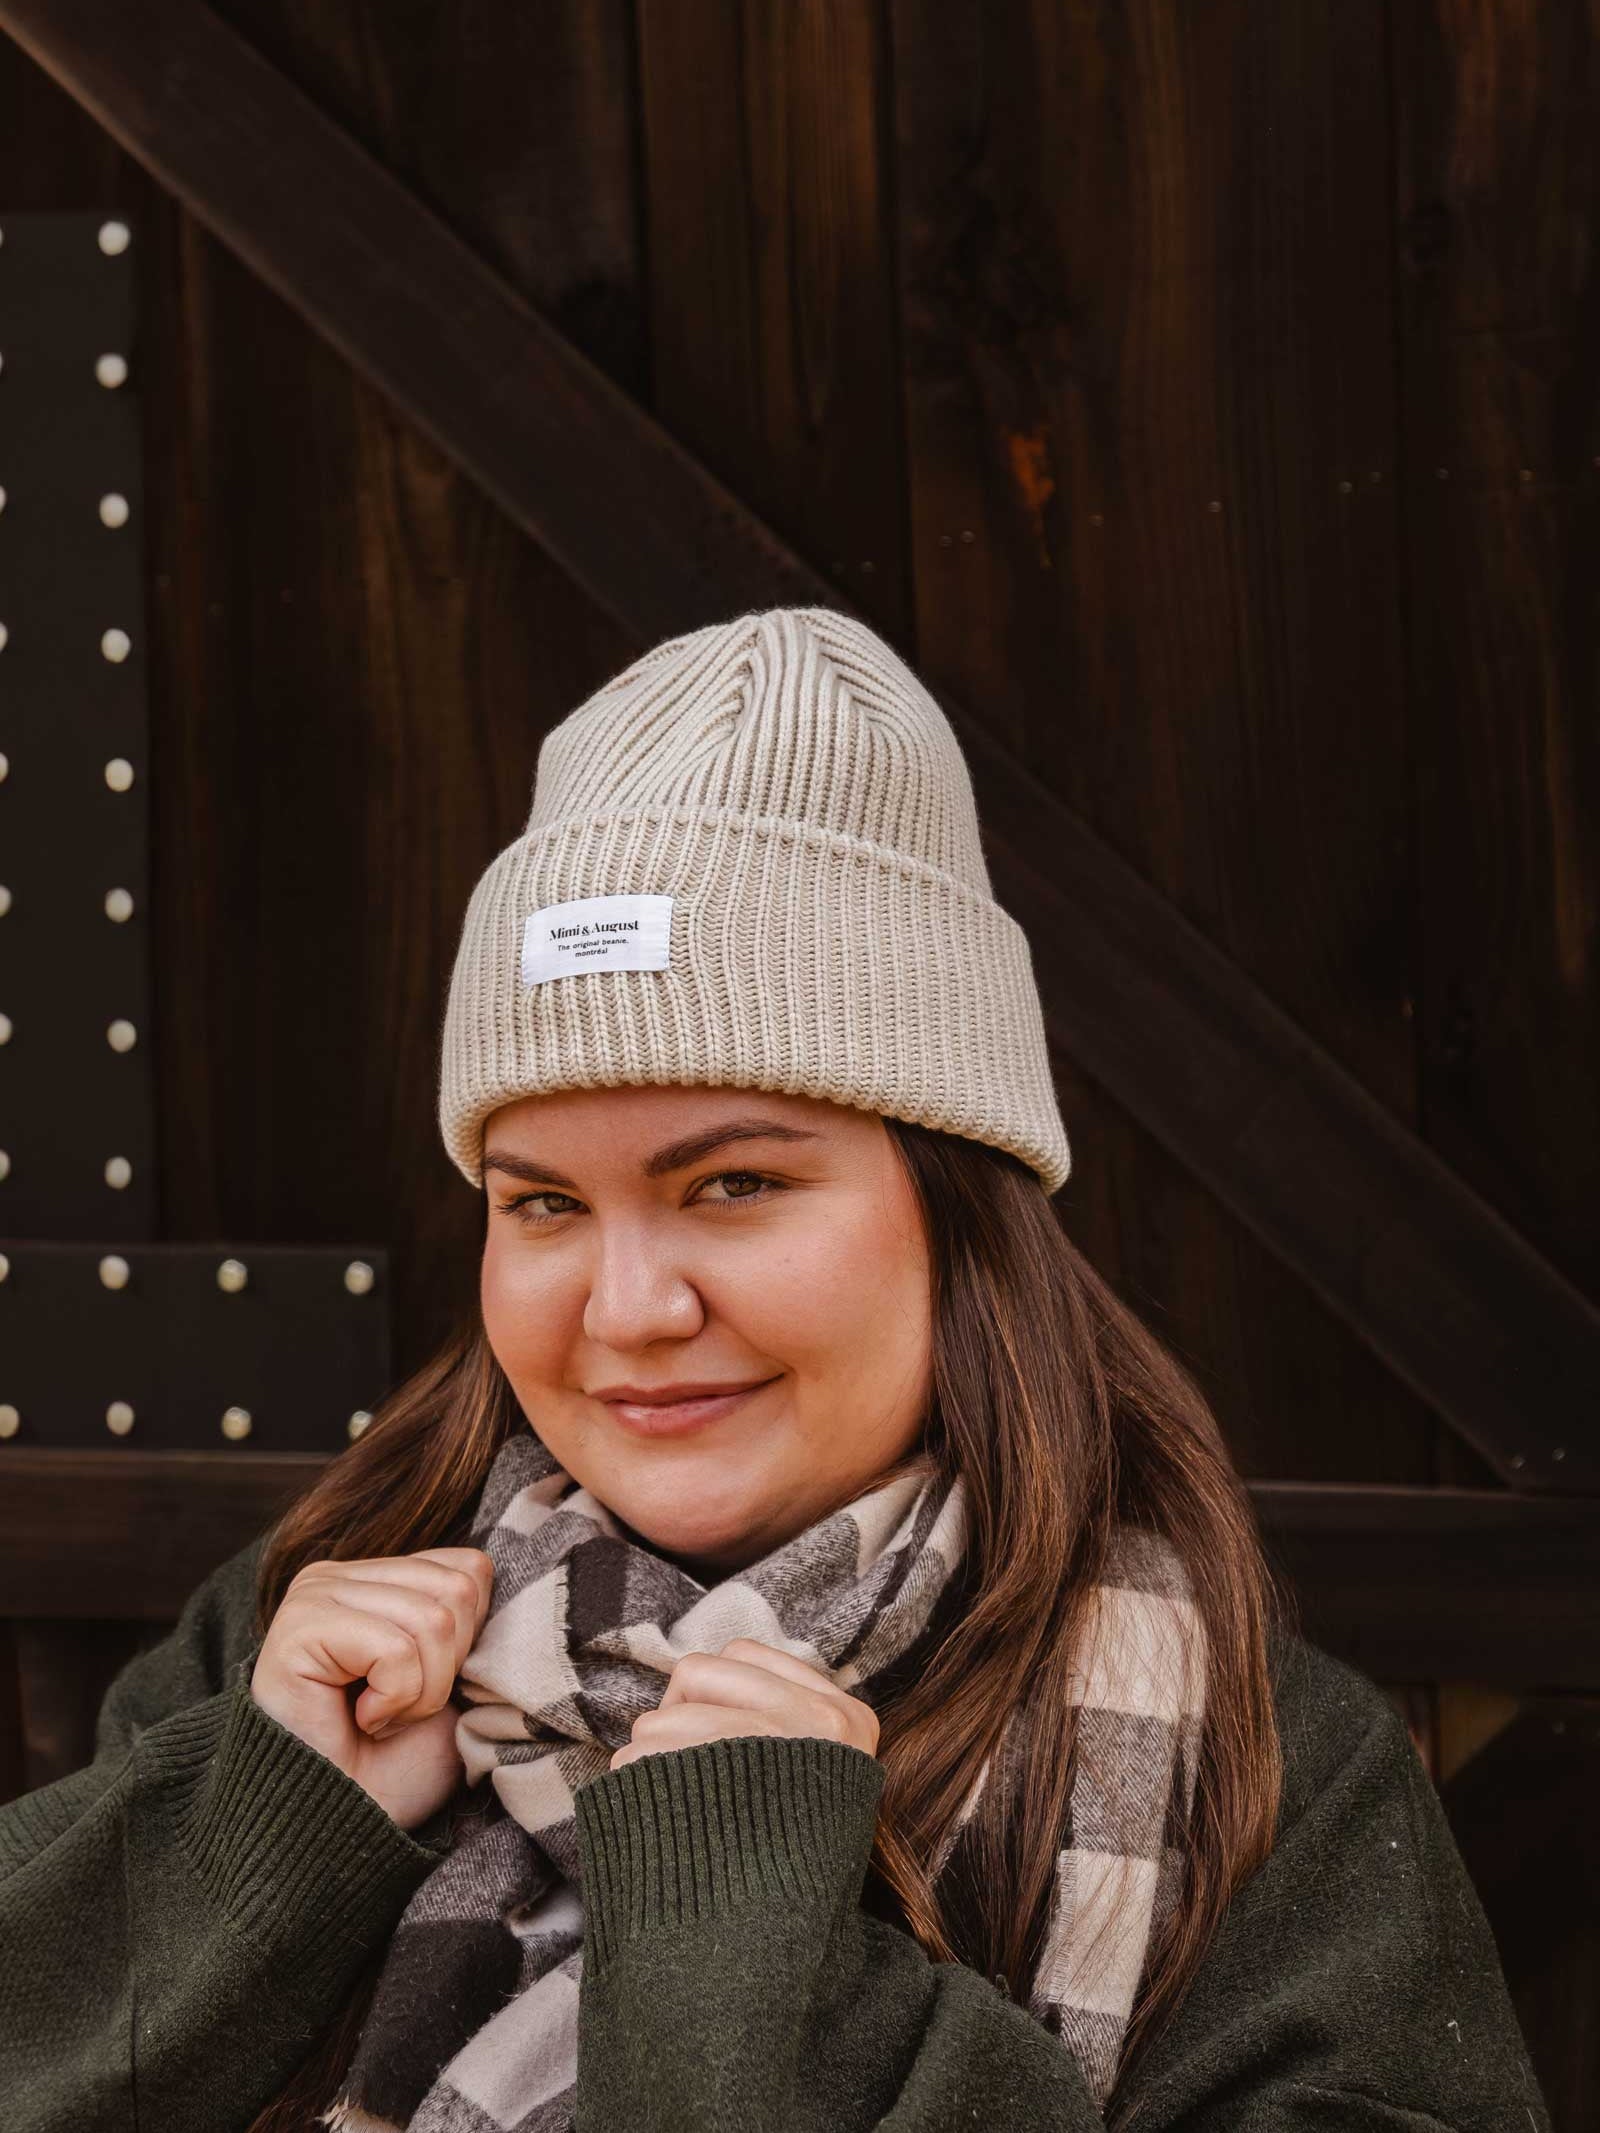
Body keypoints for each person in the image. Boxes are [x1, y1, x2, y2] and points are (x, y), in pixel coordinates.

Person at [0, 608, 1552, 2133]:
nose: (627, 1304)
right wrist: (247, 1836)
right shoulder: (300, 1650)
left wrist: (775, 1970)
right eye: (542, 1200)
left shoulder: (1257, 1769)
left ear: (959, 1210)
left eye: (733, 1183)